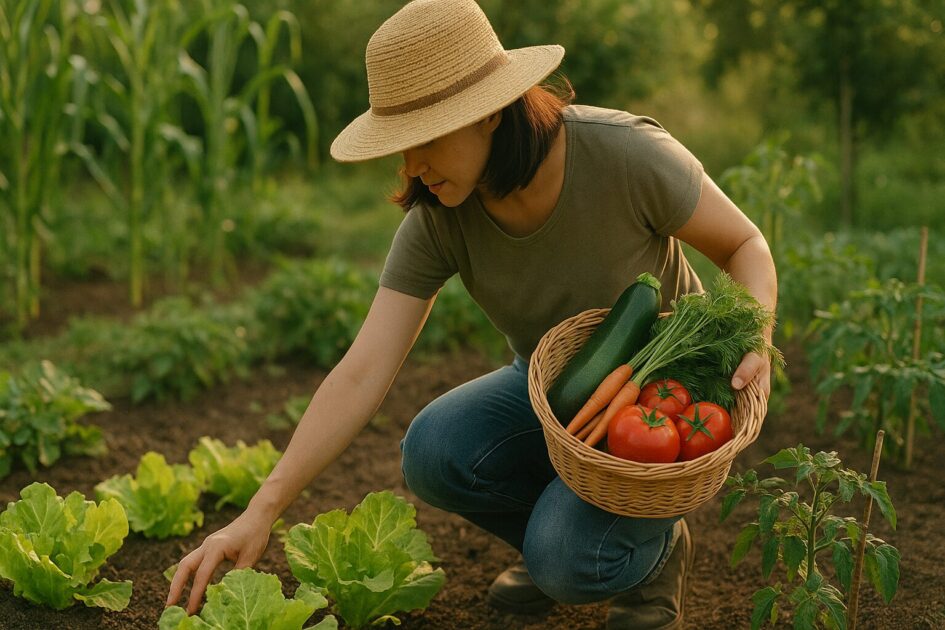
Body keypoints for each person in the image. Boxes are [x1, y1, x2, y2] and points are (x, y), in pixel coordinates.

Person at [166, 0, 777, 628]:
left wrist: (755, 332)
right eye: (399, 147)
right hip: (546, 388)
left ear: (488, 112)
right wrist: (261, 510)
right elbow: (362, 369)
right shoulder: (438, 218)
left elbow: (744, 244)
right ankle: (558, 536)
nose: (410, 169)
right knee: (433, 450)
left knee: (565, 560)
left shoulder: (624, 155)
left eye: (424, 140)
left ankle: (647, 554)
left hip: (665, 401)